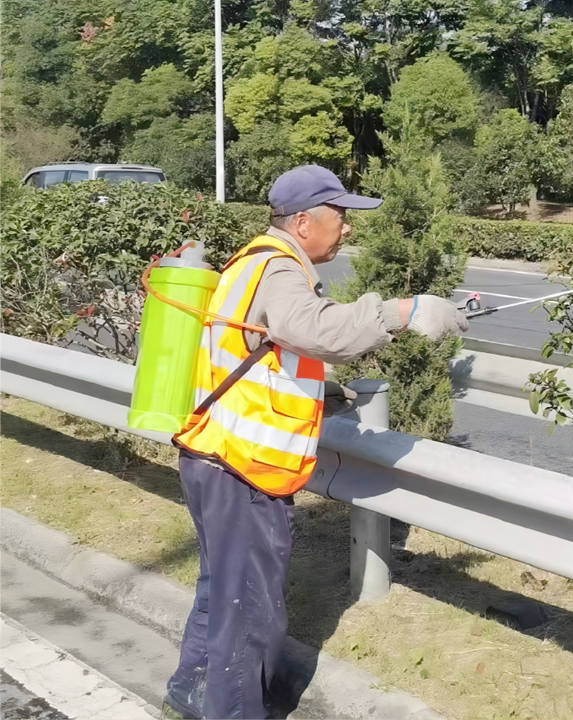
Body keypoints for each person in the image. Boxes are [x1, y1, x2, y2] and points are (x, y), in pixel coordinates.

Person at [162, 165, 467, 719]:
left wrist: (315, 387)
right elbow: (320, 329)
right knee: (250, 612)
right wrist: (405, 312)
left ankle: (193, 689)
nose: (347, 228)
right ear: (303, 222)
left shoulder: (250, 263)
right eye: (340, 216)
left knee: (222, 593)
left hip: (211, 454)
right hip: (243, 469)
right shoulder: (279, 269)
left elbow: (260, 351)